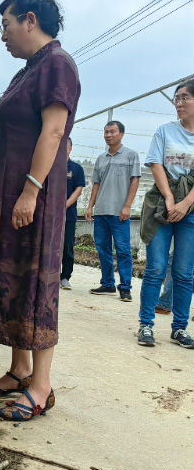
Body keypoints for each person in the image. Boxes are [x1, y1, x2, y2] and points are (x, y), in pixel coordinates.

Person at [0, 0, 81, 421]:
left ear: (30, 20)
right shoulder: (27, 71)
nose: (3, 34)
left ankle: (41, 386)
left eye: (6, 24)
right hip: (7, 192)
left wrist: (31, 190)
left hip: (34, 196)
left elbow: (53, 132)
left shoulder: (57, 64)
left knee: (35, 280)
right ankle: (18, 370)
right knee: (11, 276)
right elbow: (3, 136)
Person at [137, 79, 194, 349]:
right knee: (156, 267)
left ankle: (179, 328)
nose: (179, 103)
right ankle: (146, 324)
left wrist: (185, 205)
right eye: (176, 98)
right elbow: (155, 163)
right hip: (162, 203)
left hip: (191, 209)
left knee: (184, 272)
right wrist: (171, 198)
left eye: (185, 98)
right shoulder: (164, 130)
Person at [84, 121, 140, 302]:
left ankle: (125, 287)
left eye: (113, 132)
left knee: (123, 250)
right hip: (101, 211)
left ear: (121, 134)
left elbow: (135, 181)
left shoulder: (131, 155)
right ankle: (107, 284)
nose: (109, 135)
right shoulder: (101, 158)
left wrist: (127, 206)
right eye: (106, 132)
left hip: (119, 212)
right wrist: (90, 206)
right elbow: (96, 184)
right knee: (103, 248)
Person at [60, 137, 85, 289]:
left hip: (68, 215)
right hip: (50, 214)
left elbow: (78, 189)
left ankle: (65, 277)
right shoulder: (50, 166)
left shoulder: (76, 168)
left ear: (70, 148)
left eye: (64, 146)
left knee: (67, 246)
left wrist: (64, 206)